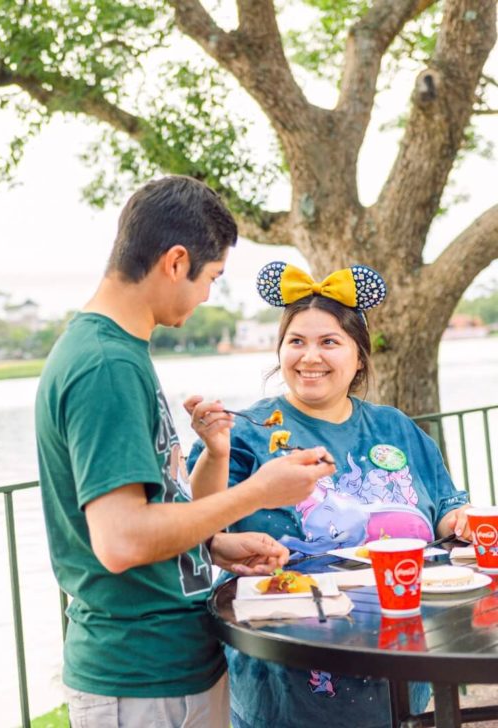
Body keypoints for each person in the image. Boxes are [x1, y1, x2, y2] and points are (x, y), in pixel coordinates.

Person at [35, 178, 336, 728]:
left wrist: (214, 543)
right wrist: (259, 490)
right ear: (177, 262)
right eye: (212, 278)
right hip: (141, 677)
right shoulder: (106, 365)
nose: (207, 297)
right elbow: (121, 539)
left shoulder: (120, 351)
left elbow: (156, 512)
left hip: (174, 666)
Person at [187, 260, 473, 728]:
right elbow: (200, 521)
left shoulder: (394, 427)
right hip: (285, 673)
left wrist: (460, 519)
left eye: (329, 342)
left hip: (398, 663)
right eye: (296, 341)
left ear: (359, 356)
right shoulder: (246, 431)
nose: (310, 356)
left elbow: (443, 505)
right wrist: (215, 452)